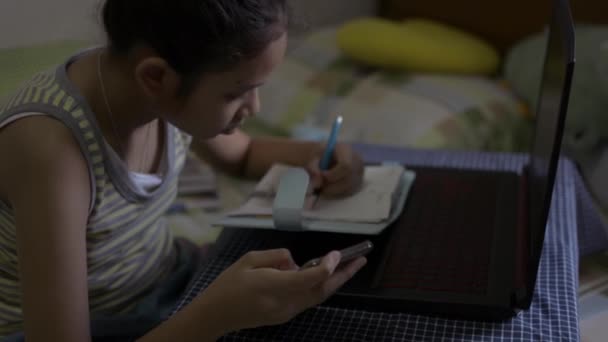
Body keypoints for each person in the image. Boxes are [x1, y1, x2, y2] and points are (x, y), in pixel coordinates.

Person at [0, 0, 367, 341]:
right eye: (235, 94)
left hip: (163, 281)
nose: (253, 108)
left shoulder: (155, 85)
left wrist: (322, 154)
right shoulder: (52, 154)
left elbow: (242, 154)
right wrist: (217, 315)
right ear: (156, 77)